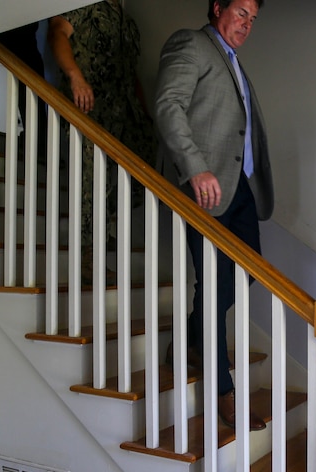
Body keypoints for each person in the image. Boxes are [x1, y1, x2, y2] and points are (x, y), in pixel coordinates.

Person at [153, 0, 273, 431]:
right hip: (204, 187)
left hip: (240, 189)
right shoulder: (192, 44)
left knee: (249, 273)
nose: (247, 24)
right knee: (215, 282)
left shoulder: (234, 62)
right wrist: (195, 166)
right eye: (241, 13)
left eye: (253, 19)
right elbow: (169, 104)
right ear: (217, 6)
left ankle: (186, 337)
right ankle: (223, 390)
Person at [48, 0, 158, 283]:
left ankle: (103, 222)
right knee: (90, 180)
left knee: (143, 165)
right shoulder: (85, 5)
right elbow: (57, 33)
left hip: (124, 110)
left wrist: (144, 114)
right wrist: (75, 77)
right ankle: (87, 254)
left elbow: (130, 73)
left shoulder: (128, 22)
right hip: (89, 108)